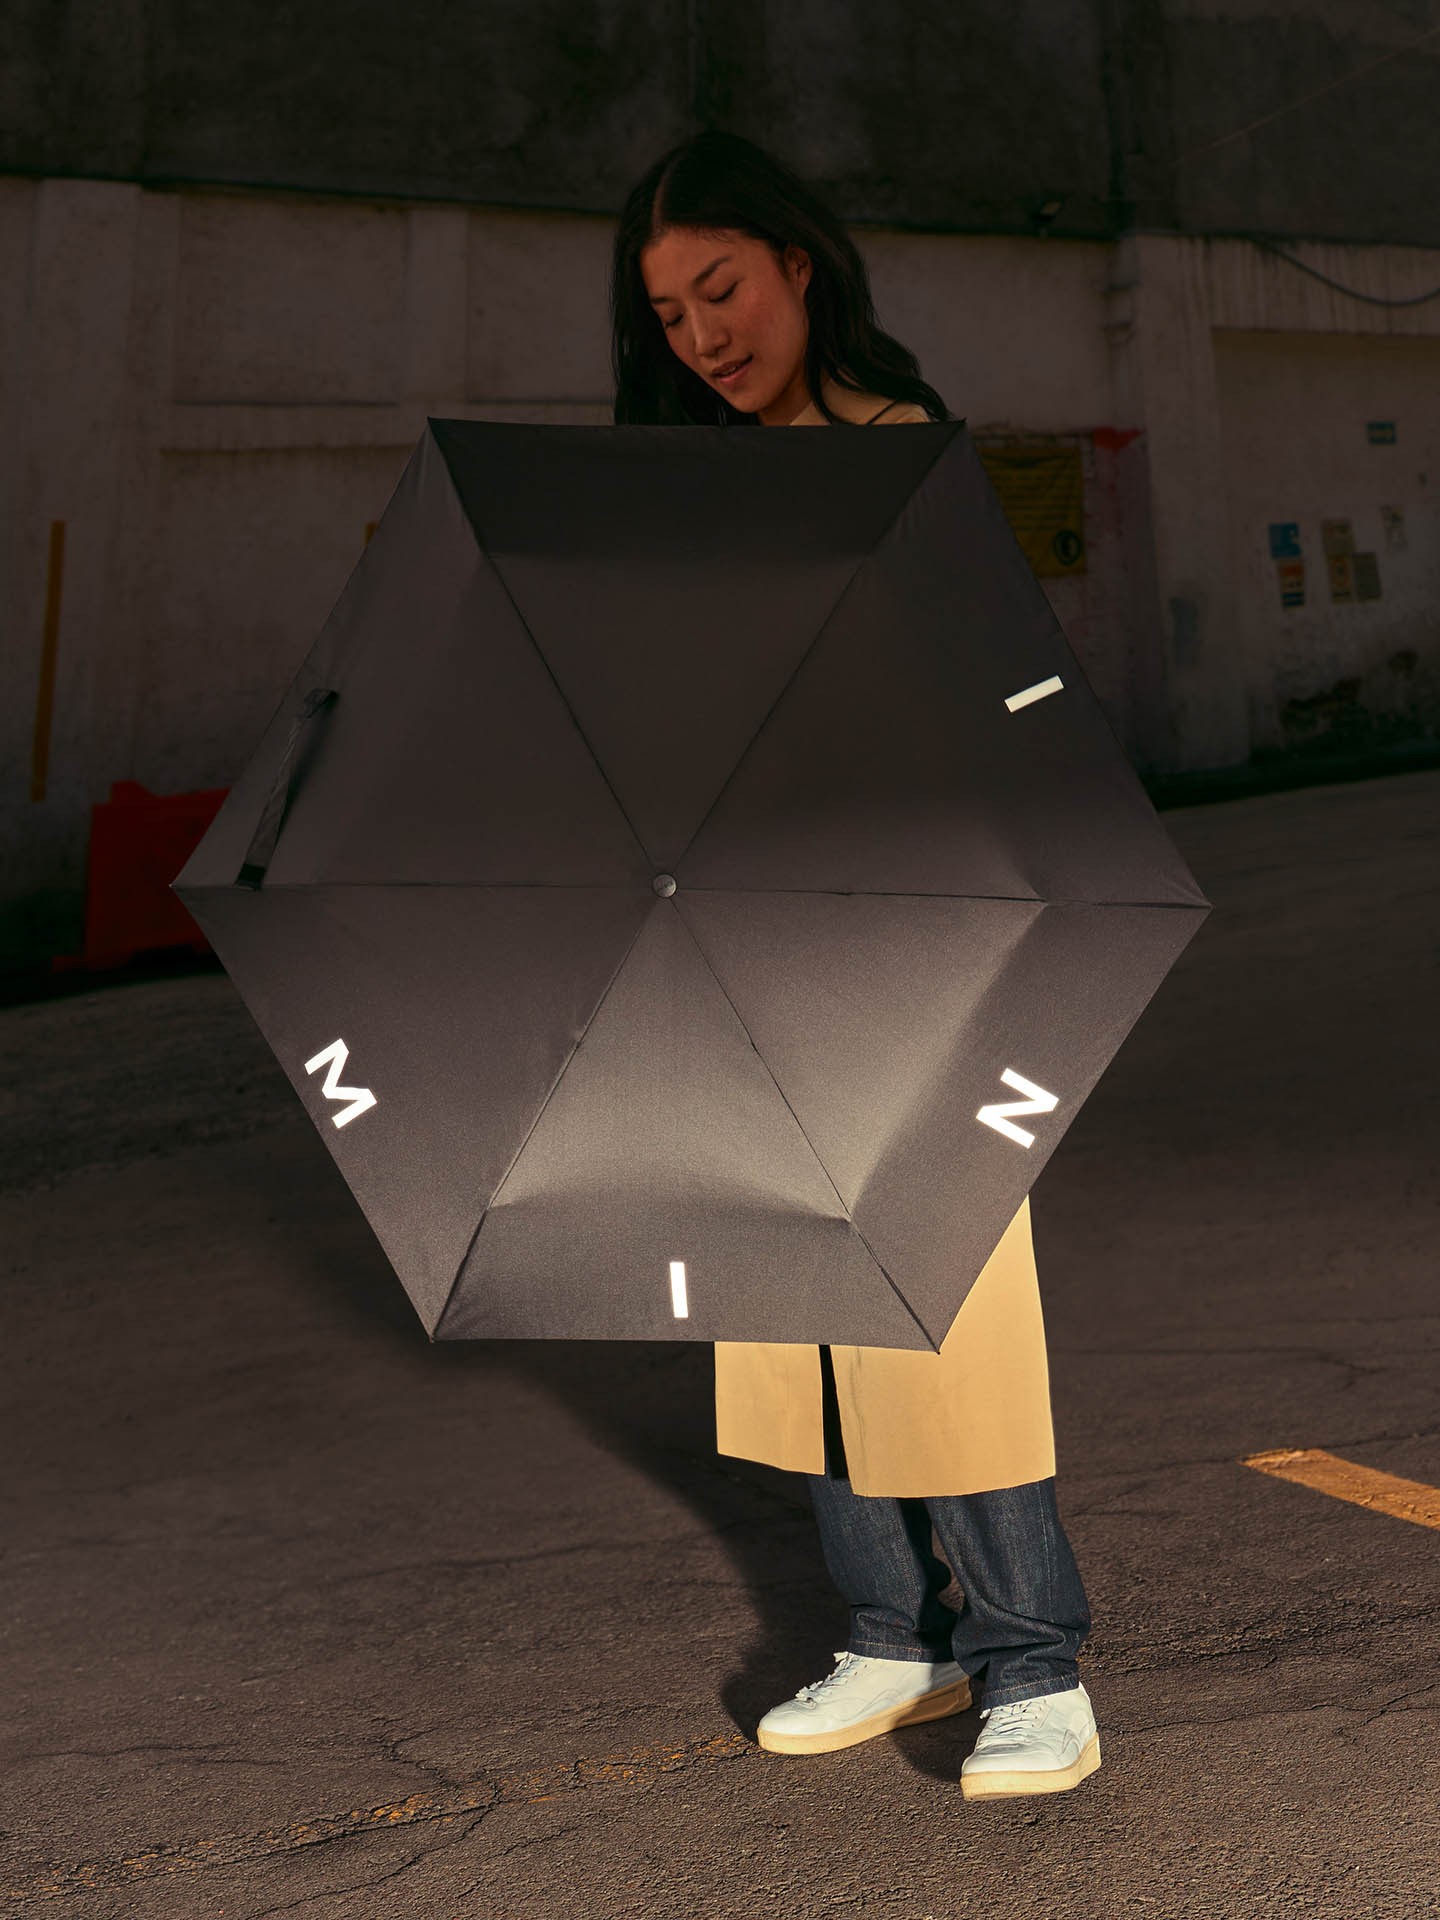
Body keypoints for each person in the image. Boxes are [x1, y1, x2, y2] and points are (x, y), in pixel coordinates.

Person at [609, 130, 1098, 1800]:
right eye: (668, 314)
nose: (702, 338)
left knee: (946, 1304)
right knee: (792, 1301)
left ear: (799, 266)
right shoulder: (686, 490)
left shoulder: (909, 459)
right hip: (751, 946)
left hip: (920, 939)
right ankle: (889, 1636)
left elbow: (994, 717)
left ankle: (1033, 1665)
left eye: (722, 289)